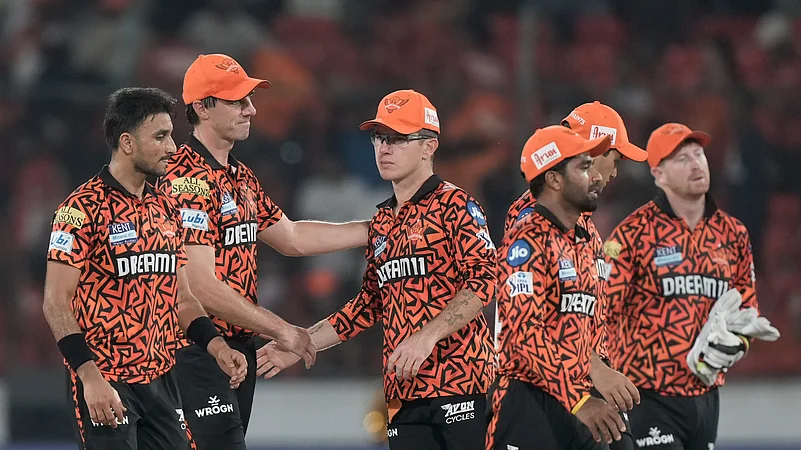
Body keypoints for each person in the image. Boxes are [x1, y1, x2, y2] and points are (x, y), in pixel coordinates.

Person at [256, 89, 498, 450]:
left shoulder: (455, 204)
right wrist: (305, 342)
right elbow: (369, 305)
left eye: (399, 139)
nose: (384, 148)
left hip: (462, 384)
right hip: (402, 392)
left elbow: (485, 278)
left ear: (429, 146)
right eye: (379, 138)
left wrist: (427, 336)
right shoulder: (382, 220)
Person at [159, 53, 370, 450]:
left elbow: (291, 237)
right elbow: (200, 286)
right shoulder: (185, 179)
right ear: (202, 107)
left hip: (237, 352)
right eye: (238, 100)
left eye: (249, 99)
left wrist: (371, 230)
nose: (251, 109)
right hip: (193, 348)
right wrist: (282, 329)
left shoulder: (240, 178)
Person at [42, 87, 248, 450]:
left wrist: (217, 347)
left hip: (162, 382)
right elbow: (56, 302)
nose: (172, 148)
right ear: (127, 142)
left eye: (171, 135)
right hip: (107, 379)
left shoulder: (166, 208)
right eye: (161, 137)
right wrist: (89, 377)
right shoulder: (80, 209)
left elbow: (183, 299)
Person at [603, 123, 779, 450]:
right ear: (658, 174)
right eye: (682, 159)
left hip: (706, 396)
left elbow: (746, 308)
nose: (696, 163)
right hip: (648, 395)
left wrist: (736, 343)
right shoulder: (632, 234)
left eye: (699, 154)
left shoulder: (734, 234)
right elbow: (602, 313)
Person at [498, 102, 645, 448]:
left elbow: (582, 312)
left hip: (575, 385)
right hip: (541, 391)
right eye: (616, 158)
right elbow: (532, 322)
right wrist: (593, 371)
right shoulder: (532, 215)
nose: (613, 173)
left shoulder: (583, 223)